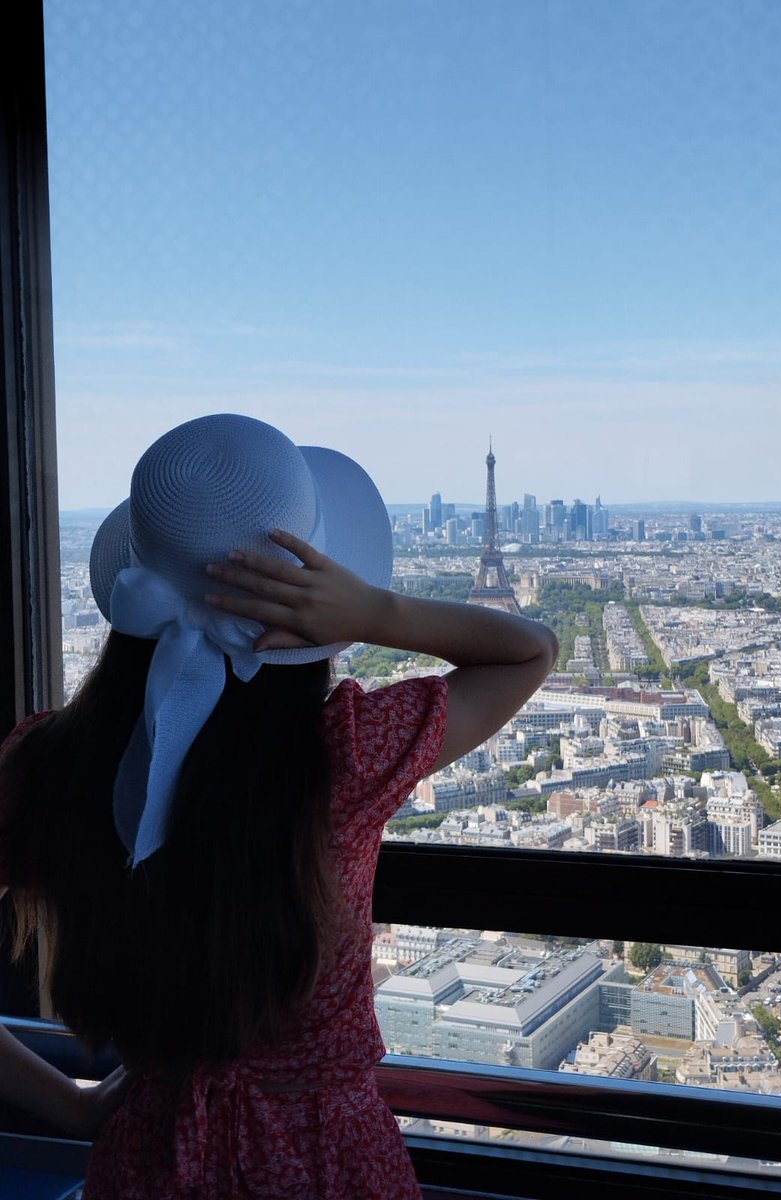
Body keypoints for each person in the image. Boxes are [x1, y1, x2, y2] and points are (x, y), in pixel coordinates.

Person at [0, 414, 558, 1199]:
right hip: (329, 1159)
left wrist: (70, 1103)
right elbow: (531, 649)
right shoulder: (346, 757)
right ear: (313, 603)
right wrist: (375, 613)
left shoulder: (49, 764)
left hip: (149, 1159)